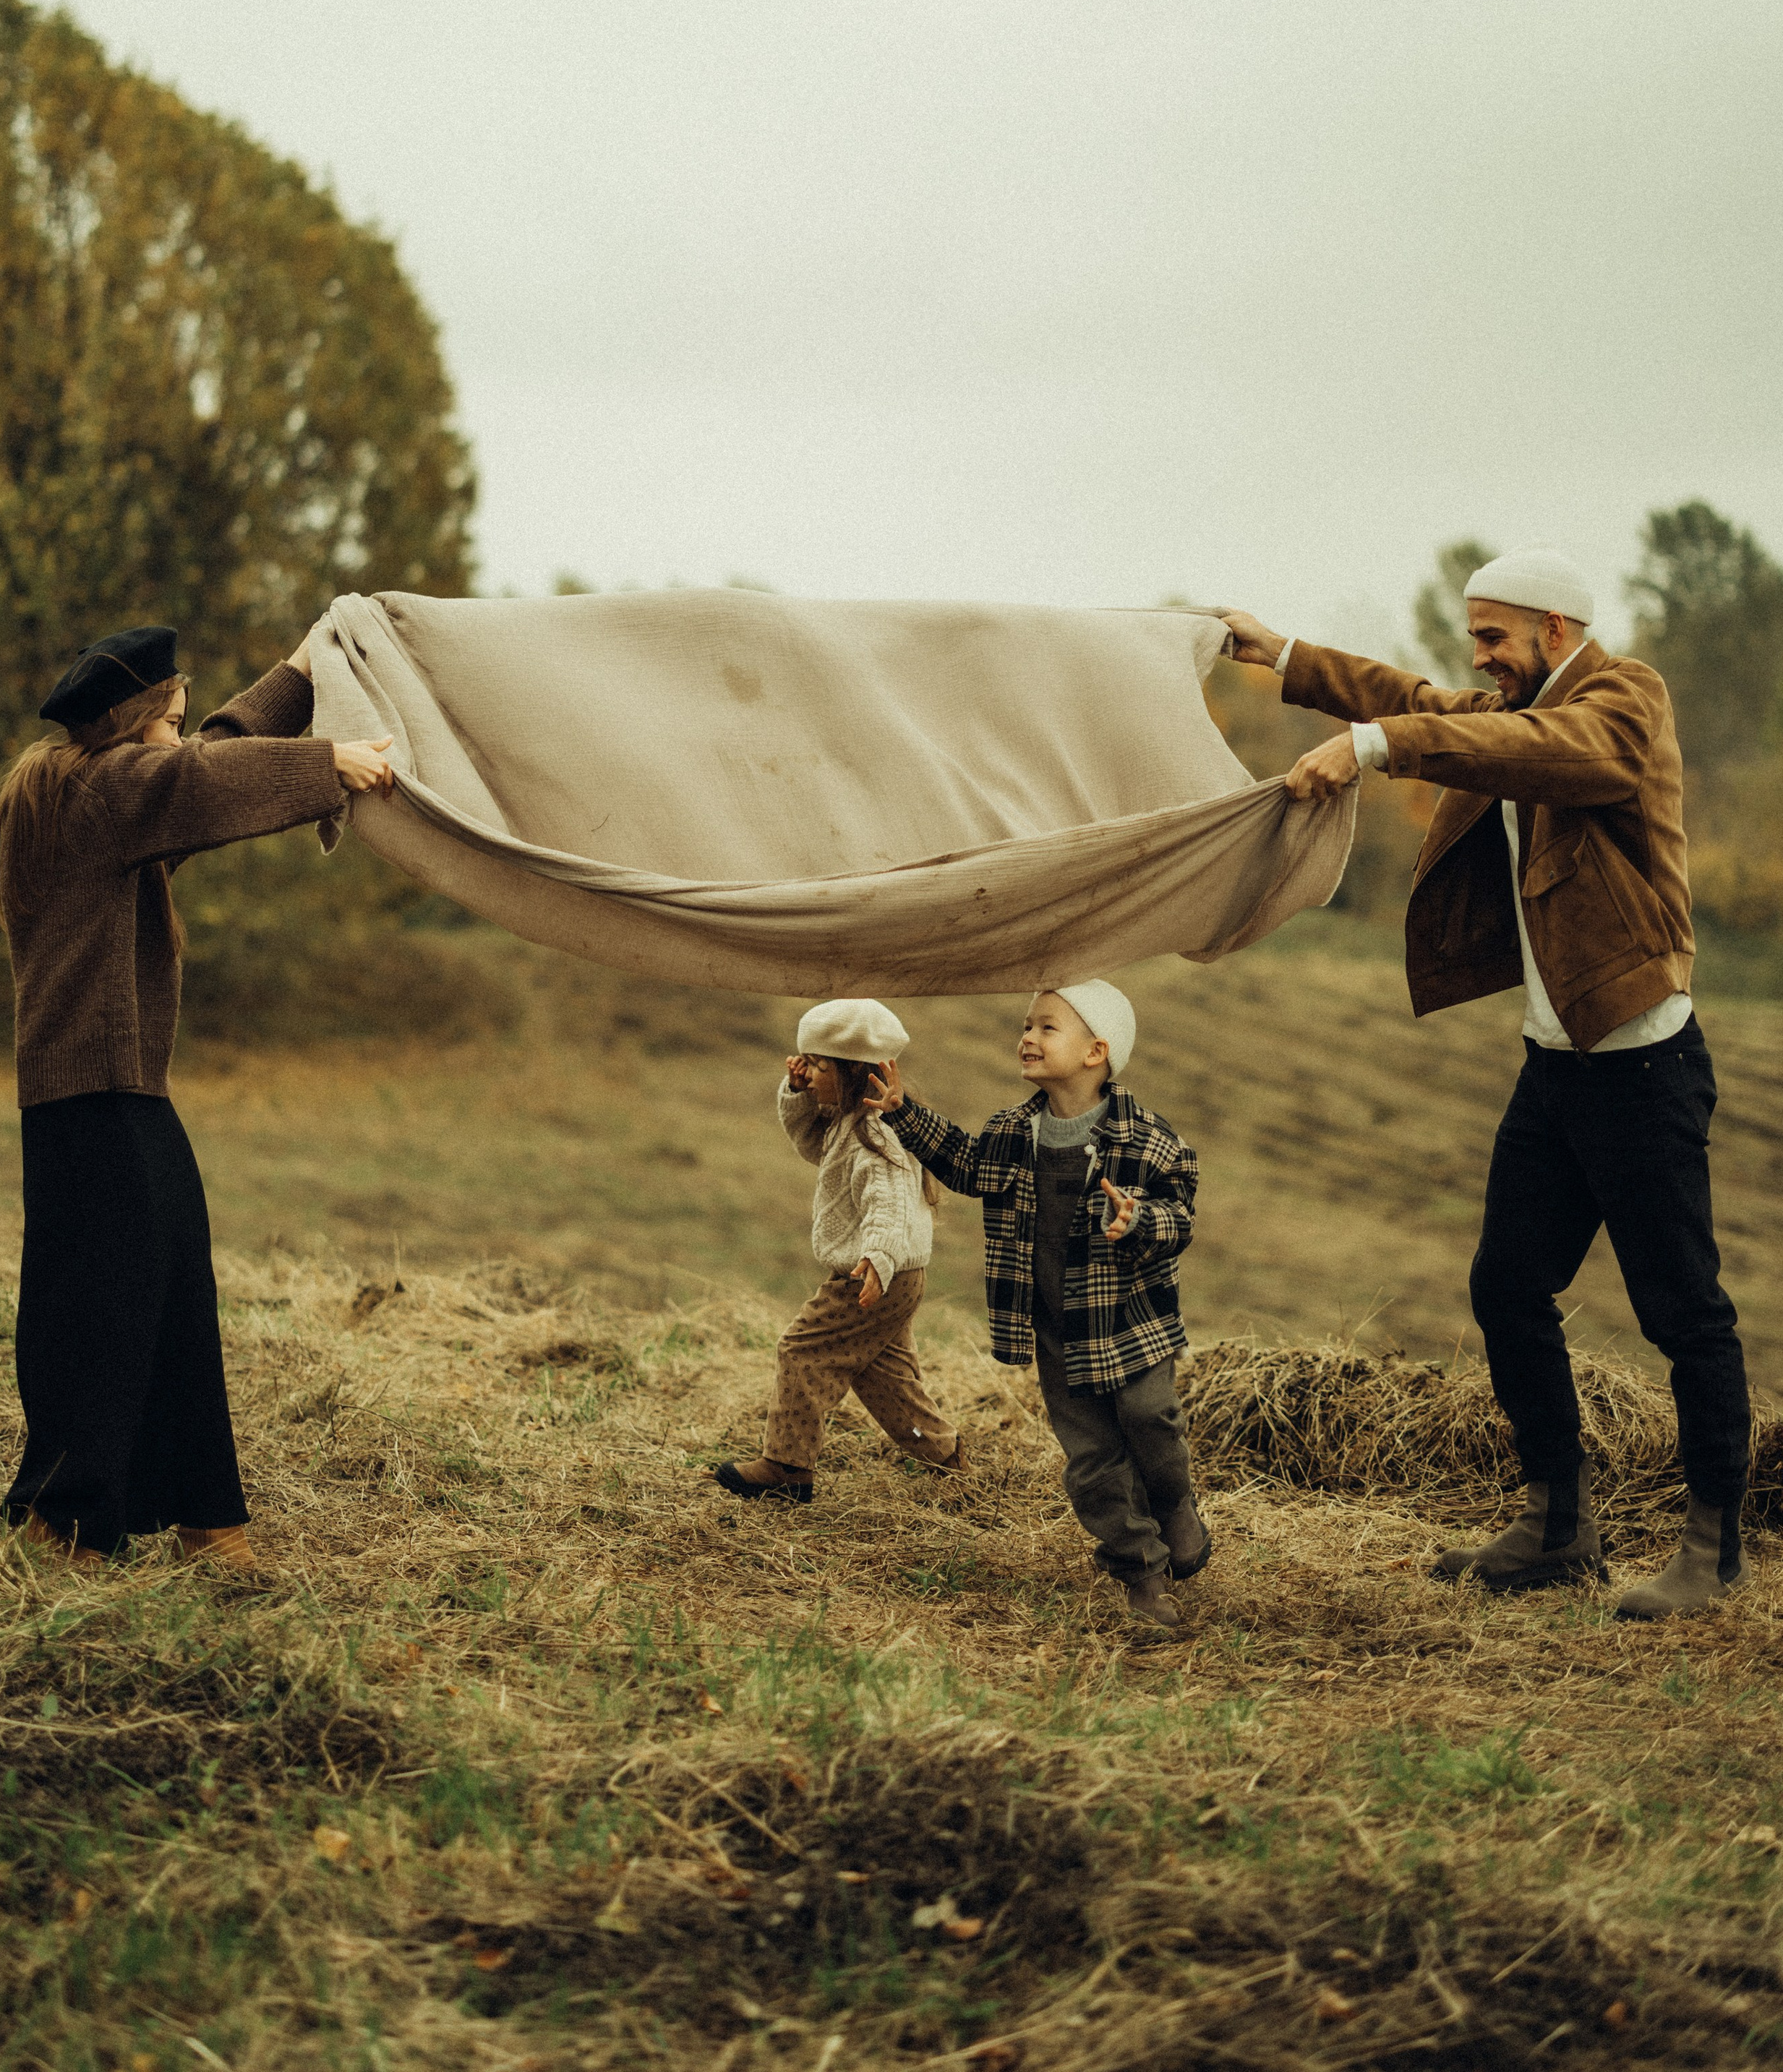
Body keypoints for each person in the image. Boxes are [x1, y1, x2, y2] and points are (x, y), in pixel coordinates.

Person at [1223, 547, 1749, 1621]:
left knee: (1684, 1315)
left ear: (1556, 630)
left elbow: (1543, 750)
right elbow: (1422, 701)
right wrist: (1285, 656)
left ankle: (1714, 1549)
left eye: (1494, 637)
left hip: (1641, 1069)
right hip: (1554, 1067)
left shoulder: (1622, 700)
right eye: (1476, 639)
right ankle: (1559, 1529)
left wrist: (1373, 748)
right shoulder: (1522, 705)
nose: (1481, 658)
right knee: (1507, 1287)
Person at [0, 620, 395, 1570]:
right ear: (131, 721)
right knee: (98, 1311)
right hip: (88, 1096)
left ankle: (207, 1520)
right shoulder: (93, 791)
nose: (182, 729)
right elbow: (196, 776)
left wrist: (299, 672)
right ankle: (64, 1521)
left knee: (172, 1293)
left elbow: (206, 754)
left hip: (118, 1091)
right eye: (169, 714)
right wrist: (326, 762)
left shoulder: (113, 793)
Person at [871, 980, 1208, 1636]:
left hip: (1130, 1322)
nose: (1027, 1036)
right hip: (1057, 1329)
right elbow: (967, 1164)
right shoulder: (1011, 1131)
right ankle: (1141, 1571)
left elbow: (1181, 1215)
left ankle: (1175, 1506)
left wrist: (1138, 1220)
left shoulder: (1147, 1138)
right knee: (1092, 1457)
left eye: (1046, 1027)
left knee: (1150, 1418)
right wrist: (903, 1112)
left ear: (1095, 1052)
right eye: (1026, 1025)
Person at [714, 999, 960, 1502]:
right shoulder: (849, 1122)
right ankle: (945, 1455)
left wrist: (879, 1258)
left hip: (873, 1272)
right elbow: (814, 1146)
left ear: (853, 1073)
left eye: (819, 1066)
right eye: (805, 1063)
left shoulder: (876, 1131)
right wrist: (798, 1094)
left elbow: (889, 1201)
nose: (809, 1073)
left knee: (802, 1351)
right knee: (884, 1377)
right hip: (892, 1274)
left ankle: (787, 1466)